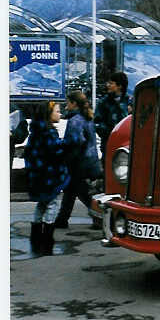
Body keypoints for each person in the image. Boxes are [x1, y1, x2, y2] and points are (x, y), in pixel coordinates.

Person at [24, 100, 70, 255]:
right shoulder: (49, 132)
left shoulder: (36, 131)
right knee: (52, 203)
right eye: (57, 111)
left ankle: (36, 233)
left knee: (41, 204)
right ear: (48, 114)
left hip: (38, 176)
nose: (60, 114)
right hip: (49, 176)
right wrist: (66, 144)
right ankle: (47, 234)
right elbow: (55, 152)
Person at [54, 91, 102, 229]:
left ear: (74, 103)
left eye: (68, 102)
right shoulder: (86, 117)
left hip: (79, 163)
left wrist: (62, 147)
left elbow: (76, 141)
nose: (66, 106)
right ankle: (62, 219)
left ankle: (101, 216)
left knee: (82, 192)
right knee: (71, 190)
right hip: (89, 160)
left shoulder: (75, 120)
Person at [94, 71, 131, 162]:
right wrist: (110, 132)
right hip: (108, 144)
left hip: (127, 146)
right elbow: (96, 123)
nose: (108, 85)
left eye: (111, 83)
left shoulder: (130, 102)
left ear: (120, 86)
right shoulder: (103, 103)